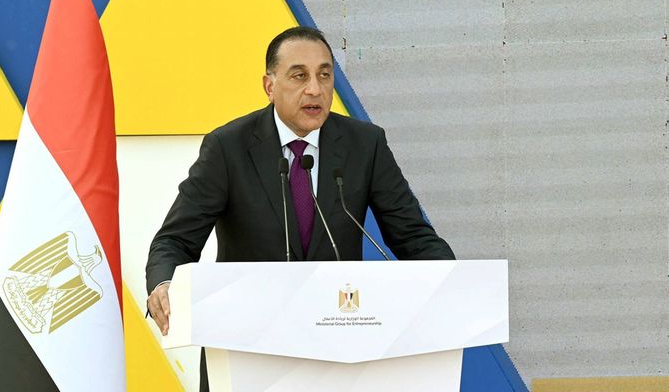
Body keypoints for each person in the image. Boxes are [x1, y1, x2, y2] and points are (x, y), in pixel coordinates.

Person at [146, 26, 455, 389]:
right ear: (269, 85)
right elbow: (175, 240)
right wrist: (164, 283)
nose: (315, 89)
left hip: (338, 350)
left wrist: (454, 281)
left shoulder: (365, 144)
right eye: (299, 76)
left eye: (324, 75)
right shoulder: (228, 148)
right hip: (246, 350)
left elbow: (413, 237)